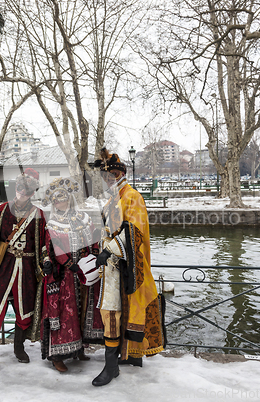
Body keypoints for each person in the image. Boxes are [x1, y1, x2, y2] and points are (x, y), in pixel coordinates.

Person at [91, 148, 166, 387]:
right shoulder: (113, 198)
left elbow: (134, 231)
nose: (106, 181)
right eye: (105, 177)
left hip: (122, 266)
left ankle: (111, 367)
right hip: (111, 267)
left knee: (112, 313)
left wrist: (109, 249)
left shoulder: (132, 196)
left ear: (117, 174)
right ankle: (119, 358)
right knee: (111, 313)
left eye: (109, 176)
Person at [0, 168, 46, 374]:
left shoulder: (38, 214)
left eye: (28, 190)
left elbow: (43, 244)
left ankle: (19, 347)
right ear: (17, 188)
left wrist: (46, 261)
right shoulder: (2, 210)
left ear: (33, 192)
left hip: (27, 272)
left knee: (25, 313)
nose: (23, 192)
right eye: (21, 187)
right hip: (3, 269)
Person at [39, 177, 104, 372]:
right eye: (56, 200)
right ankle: (57, 355)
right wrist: (70, 264)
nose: (60, 202)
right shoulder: (52, 223)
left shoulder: (84, 218)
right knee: (63, 314)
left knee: (82, 311)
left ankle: (79, 349)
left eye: (63, 198)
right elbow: (53, 248)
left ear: (70, 199)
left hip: (84, 272)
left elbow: (93, 238)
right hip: (63, 275)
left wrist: (92, 256)